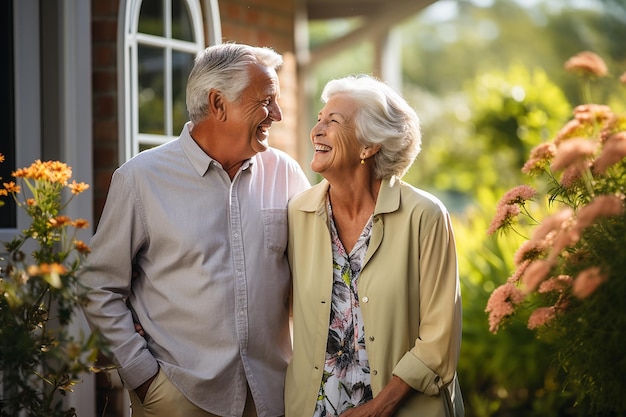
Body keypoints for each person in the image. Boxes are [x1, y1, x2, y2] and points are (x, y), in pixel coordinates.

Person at [80, 43, 310, 417]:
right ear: (218, 103)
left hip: (273, 397)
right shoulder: (141, 179)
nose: (278, 115)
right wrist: (142, 376)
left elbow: (315, 274)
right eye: (266, 101)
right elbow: (98, 283)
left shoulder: (286, 174)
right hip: (181, 396)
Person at [285, 74, 464, 417]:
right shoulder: (298, 213)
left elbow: (439, 340)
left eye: (333, 121)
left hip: (404, 409)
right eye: (319, 119)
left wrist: (380, 407)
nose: (317, 130)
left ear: (369, 146)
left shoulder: (423, 216)